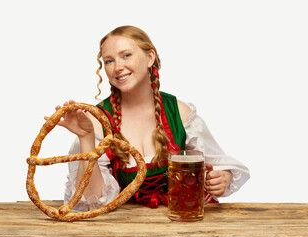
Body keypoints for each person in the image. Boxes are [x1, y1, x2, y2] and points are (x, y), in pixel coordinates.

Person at [46, 25, 250, 211]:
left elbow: (218, 167)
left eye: (126, 55)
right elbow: (90, 200)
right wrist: (86, 139)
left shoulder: (178, 111)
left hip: (183, 218)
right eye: (109, 60)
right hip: (126, 227)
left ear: (150, 57)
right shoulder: (98, 120)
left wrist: (221, 179)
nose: (117, 67)